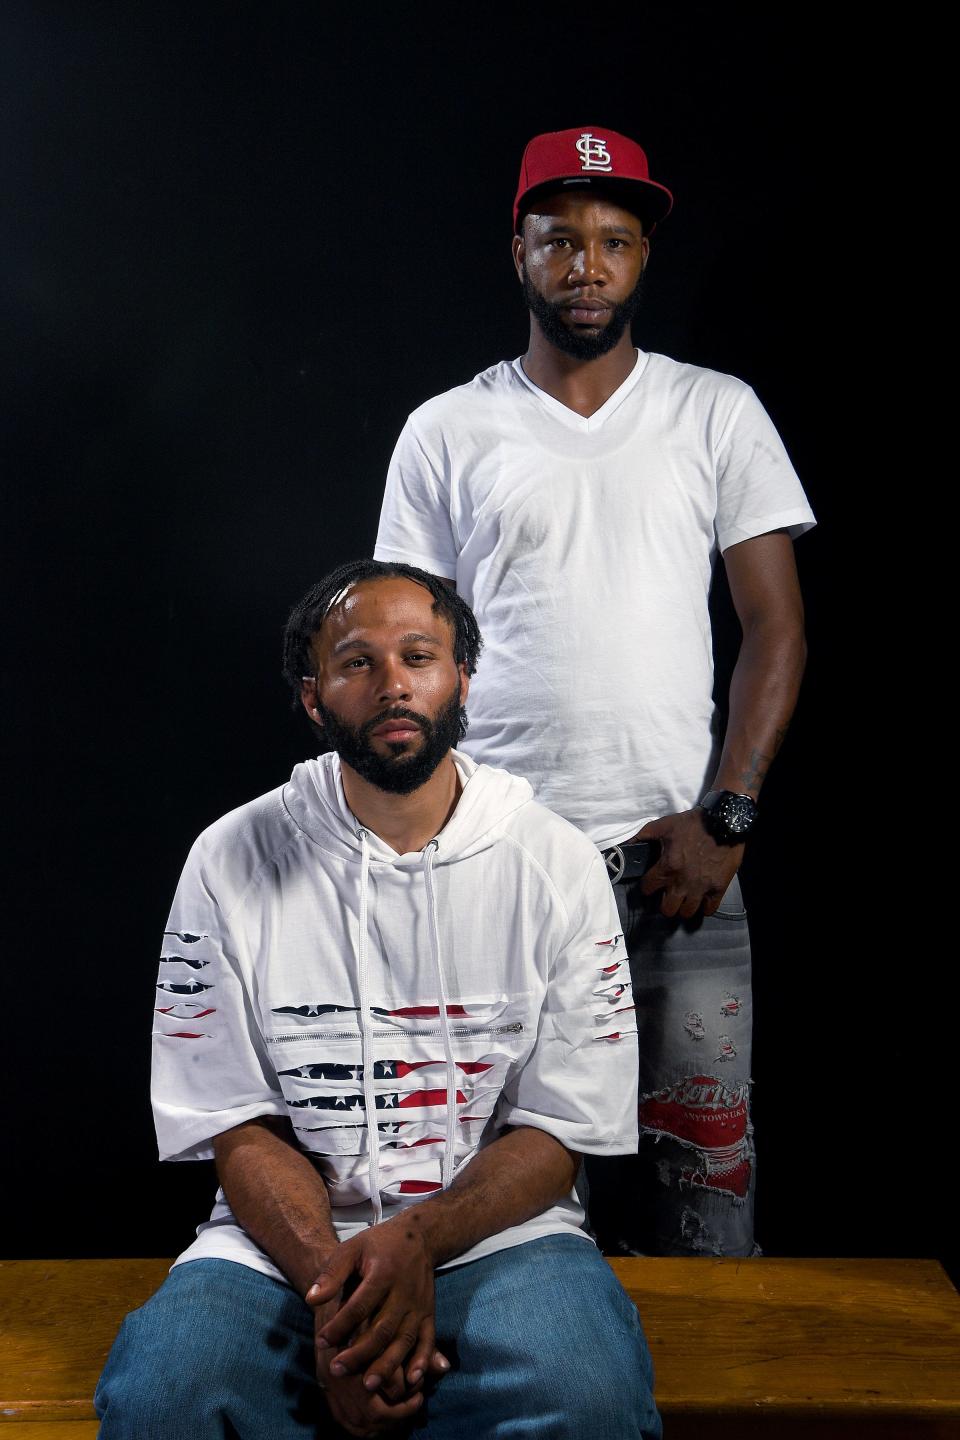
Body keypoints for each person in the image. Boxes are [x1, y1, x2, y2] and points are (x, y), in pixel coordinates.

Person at [374, 126, 816, 1259]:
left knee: (703, 1190)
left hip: (684, 869)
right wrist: (434, 841)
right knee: (485, 1203)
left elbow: (775, 626)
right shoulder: (448, 429)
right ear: (516, 250)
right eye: (559, 239)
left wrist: (729, 820)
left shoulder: (715, 412)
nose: (586, 265)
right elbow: (408, 649)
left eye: (614, 241)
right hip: (498, 867)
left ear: (643, 259)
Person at [94, 559, 661, 1439]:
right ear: (314, 697)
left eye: (419, 656)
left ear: (463, 677)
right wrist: (337, 1297)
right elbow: (238, 1122)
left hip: (502, 1238)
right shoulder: (229, 858)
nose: (394, 684)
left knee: (586, 1395)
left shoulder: (556, 864)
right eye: (358, 663)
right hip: (280, 1254)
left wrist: (420, 1242)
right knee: (164, 1396)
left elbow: (559, 1132)